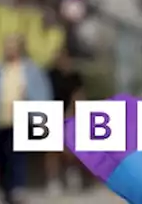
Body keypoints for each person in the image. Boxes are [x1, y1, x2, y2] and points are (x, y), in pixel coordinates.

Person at [0, 35, 53, 204]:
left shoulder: (30, 70)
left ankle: (17, 188)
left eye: (13, 46)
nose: (9, 49)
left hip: (22, 117)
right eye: (7, 46)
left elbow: (43, 94)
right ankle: (5, 189)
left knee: (17, 155)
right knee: (2, 156)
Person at [45, 49, 85, 193]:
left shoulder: (74, 76)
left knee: (70, 149)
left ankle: (72, 175)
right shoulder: (49, 75)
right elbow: (44, 94)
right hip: (50, 113)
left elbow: (78, 96)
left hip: (70, 113)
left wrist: (70, 113)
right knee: (51, 150)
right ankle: (53, 180)